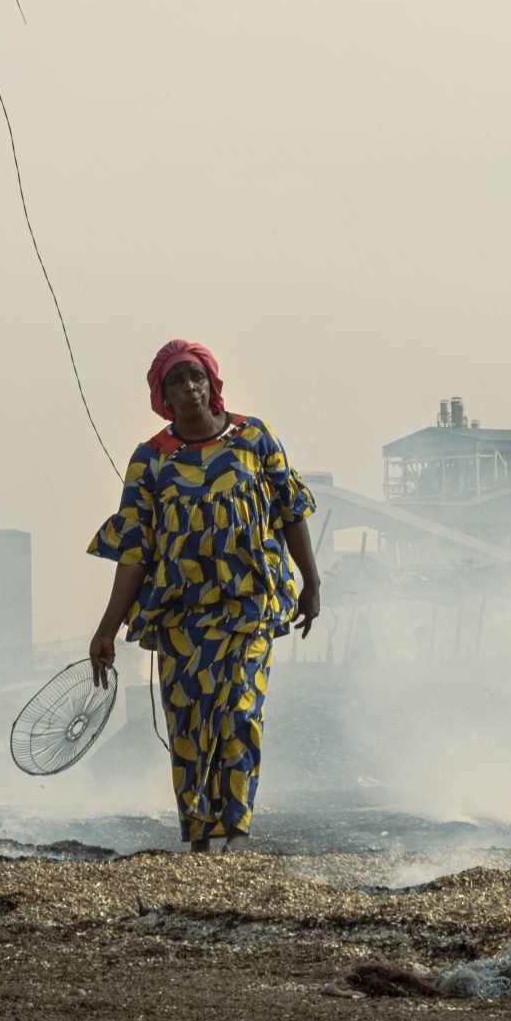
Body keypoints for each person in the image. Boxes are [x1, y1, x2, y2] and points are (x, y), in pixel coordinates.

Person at [87, 339, 321, 852]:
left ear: (212, 383)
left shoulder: (254, 438)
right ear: (162, 396)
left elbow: (291, 509)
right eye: (177, 381)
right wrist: (106, 628)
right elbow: (135, 549)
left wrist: (311, 581)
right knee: (190, 725)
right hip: (181, 619)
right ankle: (197, 835)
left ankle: (234, 831)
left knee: (240, 710)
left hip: (250, 607)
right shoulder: (150, 460)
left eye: (196, 377)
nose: (190, 388)